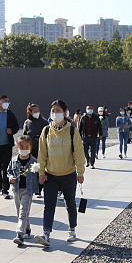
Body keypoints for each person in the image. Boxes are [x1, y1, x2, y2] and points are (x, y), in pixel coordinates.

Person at [34, 99, 86, 249]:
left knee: (70, 203)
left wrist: (80, 172)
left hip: (68, 173)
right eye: (53, 111)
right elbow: (42, 154)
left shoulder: (72, 131)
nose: (55, 113)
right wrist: (41, 172)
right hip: (50, 175)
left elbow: (79, 153)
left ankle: (72, 229)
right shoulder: (46, 131)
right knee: (48, 205)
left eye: (58, 110)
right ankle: (46, 233)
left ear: (64, 112)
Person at [7, 135, 40, 245]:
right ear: (17, 146)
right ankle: (27, 228)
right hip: (16, 189)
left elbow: (38, 174)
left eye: (27, 147)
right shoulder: (14, 160)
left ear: (30, 147)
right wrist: (11, 178)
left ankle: (19, 234)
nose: (24, 149)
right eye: (22, 146)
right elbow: (9, 171)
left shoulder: (34, 161)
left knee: (23, 211)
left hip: (28, 190)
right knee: (19, 211)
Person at [0, 94, 20, 199]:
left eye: (8, 101)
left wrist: (11, 131)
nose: (7, 103)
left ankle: (5, 189)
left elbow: (16, 126)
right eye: (4, 101)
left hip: (7, 145)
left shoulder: (10, 114)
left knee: (6, 167)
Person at [22, 103, 48, 196]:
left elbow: (48, 134)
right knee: (32, 169)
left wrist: (41, 137)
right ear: (30, 112)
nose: (37, 113)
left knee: (42, 168)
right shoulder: (27, 122)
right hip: (31, 149)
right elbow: (24, 135)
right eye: (34, 111)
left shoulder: (44, 122)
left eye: (38, 111)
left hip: (42, 149)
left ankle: (41, 188)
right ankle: (33, 187)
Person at [77, 103, 101, 169]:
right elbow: (80, 128)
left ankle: (92, 163)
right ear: (86, 109)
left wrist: (100, 134)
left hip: (93, 136)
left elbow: (99, 126)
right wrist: (79, 136)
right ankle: (88, 161)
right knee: (85, 150)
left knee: (93, 151)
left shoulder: (96, 117)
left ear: (93, 109)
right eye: (88, 109)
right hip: (85, 137)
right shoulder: (83, 118)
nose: (89, 110)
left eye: (91, 108)